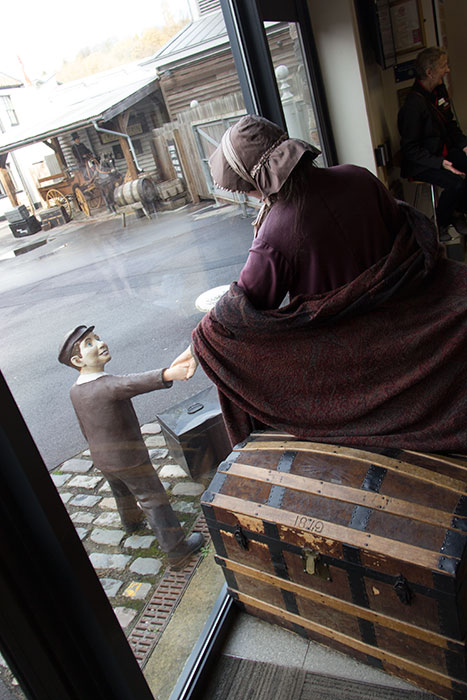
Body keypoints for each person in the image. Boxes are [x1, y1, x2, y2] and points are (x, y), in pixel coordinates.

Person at [171, 114, 467, 455]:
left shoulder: (275, 232)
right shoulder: (358, 176)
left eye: (245, 187)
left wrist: (202, 341)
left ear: (255, 181)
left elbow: (242, 312)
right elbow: (405, 236)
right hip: (413, 322)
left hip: (353, 356)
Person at [58, 325, 204, 569]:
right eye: (90, 343)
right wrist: (168, 374)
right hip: (130, 458)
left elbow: (85, 426)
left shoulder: (75, 391)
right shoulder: (107, 385)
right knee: (152, 499)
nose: (100, 343)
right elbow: (132, 383)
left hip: (103, 458)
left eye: (98, 338)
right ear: (77, 360)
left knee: (121, 492)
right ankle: (177, 549)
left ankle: (131, 522)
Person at [397, 47, 467, 239]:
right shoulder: (413, 105)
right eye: (443, 66)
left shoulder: (438, 91)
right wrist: (440, 163)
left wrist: (464, 145)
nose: (448, 70)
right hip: (422, 162)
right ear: (429, 72)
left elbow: (450, 124)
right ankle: (440, 223)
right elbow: (410, 150)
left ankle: (457, 212)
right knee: (456, 184)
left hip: (441, 152)